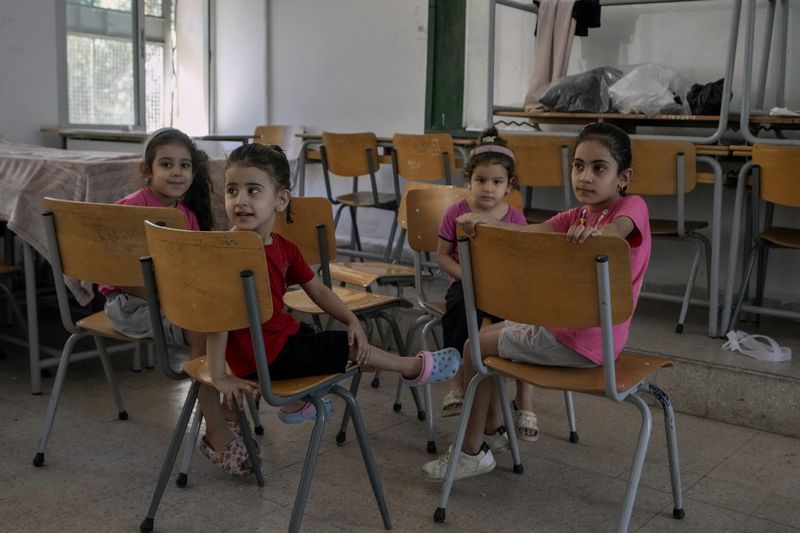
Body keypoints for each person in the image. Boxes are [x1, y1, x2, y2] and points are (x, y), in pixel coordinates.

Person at [423, 122, 651, 481]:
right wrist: (483, 221)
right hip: (575, 336)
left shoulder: (630, 207)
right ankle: (494, 433)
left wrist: (599, 233)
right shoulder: (575, 216)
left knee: (474, 348)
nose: (585, 177)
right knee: (486, 341)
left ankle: (471, 452)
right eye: (578, 166)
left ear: (624, 177)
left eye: (599, 168)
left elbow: (618, 230)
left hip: (578, 341)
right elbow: (527, 231)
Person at [206, 143, 460, 429]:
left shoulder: (285, 249)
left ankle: (296, 404)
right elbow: (217, 317)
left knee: (310, 335)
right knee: (345, 346)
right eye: (232, 190)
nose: (239, 200)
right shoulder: (225, 251)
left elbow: (320, 290)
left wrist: (351, 318)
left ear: (281, 200)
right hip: (265, 358)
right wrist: (218, 376)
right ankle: (412, 367)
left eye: (252, 190)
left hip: (271, 350)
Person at [100, 128, 249, 476]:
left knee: (228, 316)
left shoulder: (186, 215)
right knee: (202, 323)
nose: (177, 172)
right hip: (128, 305)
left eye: (185, 165)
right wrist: (172, 301)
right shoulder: (128, 209)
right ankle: (215, 427)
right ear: (146, 170)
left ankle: (229, 407)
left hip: (172, 305)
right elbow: (111, 277)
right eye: (166, 164)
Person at [437, 127, 539, 444]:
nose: (488, 188)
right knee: (456, 311)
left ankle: (524, 401)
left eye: (497, 182)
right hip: (465, 284)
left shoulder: (515, 219)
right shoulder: (456, 212)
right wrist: (467, 276)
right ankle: (454, 383)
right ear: (469, 180)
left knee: (518, 326)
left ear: (509, 185)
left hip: (502, 290)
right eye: (481, 180)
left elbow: (521, 264)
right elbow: (441, 256)